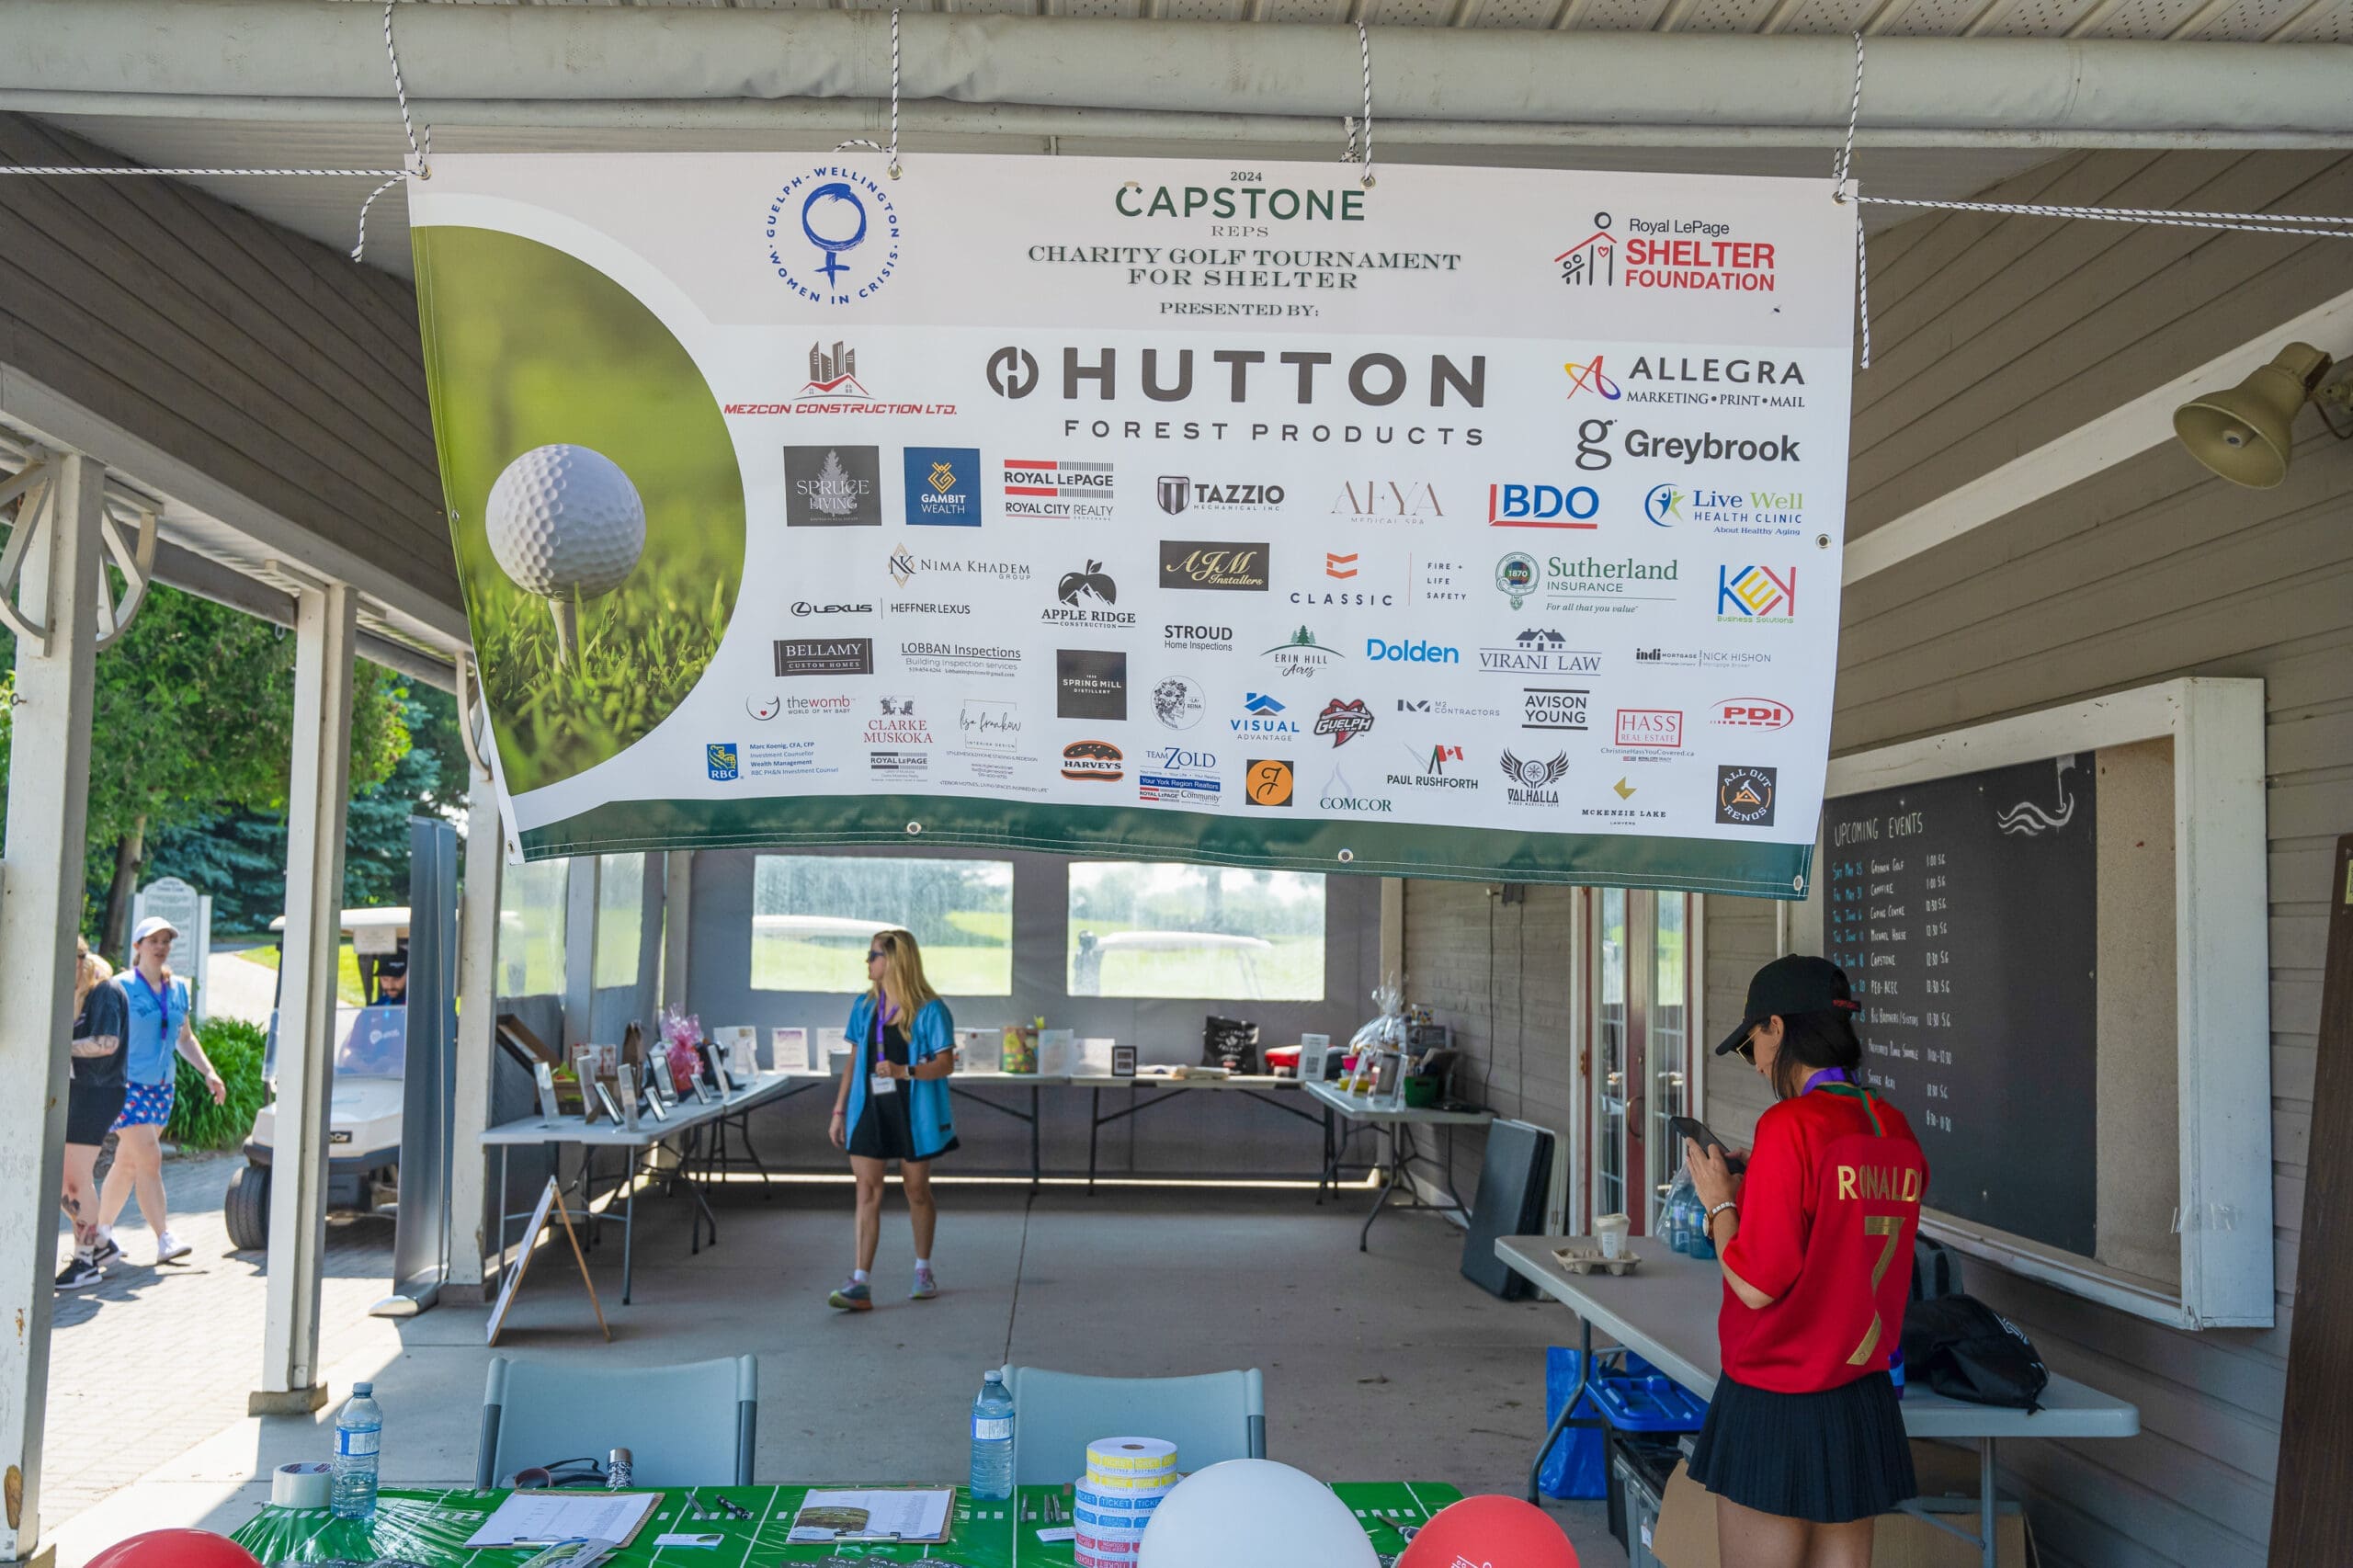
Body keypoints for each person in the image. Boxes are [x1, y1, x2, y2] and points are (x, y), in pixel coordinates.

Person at [1683, 955, 1928, 1568]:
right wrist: (1763, 1181)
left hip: (1777, 1395)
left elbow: (1755, 1284)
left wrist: (1719, 1204)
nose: (1757, 1063)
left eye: (1752, 1045)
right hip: (1862, 1396)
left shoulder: (1790, 1125)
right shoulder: (1893, 1127)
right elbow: (1839, 1229)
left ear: (1777, 1026)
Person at [825, 928, 958, 1312]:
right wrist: (839, 1111)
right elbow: (854, 1061)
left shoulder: (931, 1010)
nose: (868, 962)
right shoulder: (864, 1006)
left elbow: (945, 1064)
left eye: (873, 956)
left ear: (894, 961)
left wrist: (905, 1071)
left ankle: (923, 1270)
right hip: (869, 1108)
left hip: (912, 1112)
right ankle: (860, 1283)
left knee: (916, 1191)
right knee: (866, 1191)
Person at [94, 915, 226, 1267]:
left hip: (162, 1088)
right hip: (126, 1086)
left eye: (166, 941)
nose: (161, 947)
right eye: (153, 941)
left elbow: (184, 1038)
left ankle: (99, 1236)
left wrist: (209, 1072)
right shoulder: (120, 987)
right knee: (150, 1158)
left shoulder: (178, 988)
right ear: (138, 947)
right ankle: (164, 1237)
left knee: (128, 1163)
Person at [57, 937, 129, 1290]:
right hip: (79, 1092)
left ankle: (85, 1262)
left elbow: (107, 1042)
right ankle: (100, 1243)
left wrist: (57, 1047)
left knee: (74, 1181)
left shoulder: (104, 991)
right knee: (61, 1180)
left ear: (80, 959)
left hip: (98, 1092)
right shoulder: (72, 992)